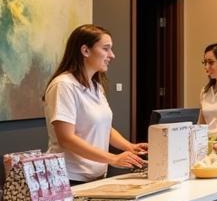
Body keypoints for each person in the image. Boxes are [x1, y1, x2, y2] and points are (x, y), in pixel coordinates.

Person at [43, 24, 146, 184]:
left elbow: (105, 128)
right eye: (106, 49)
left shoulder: (95, 86)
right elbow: (66, 138)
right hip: (69, 178)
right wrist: (113, 158)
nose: (112, 55)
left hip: (96, 176)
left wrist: (129, 147)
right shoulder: (64, 85)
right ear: (85, 50)